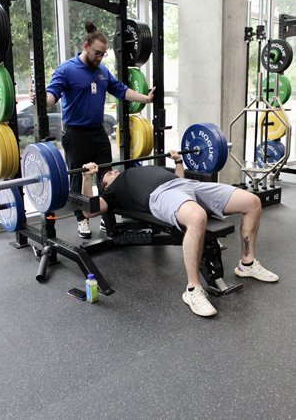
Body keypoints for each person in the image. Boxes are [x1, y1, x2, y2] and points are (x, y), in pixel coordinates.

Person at [80, 152, 279, 318]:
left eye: (113, 170)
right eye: (107, 175)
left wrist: (178, 161)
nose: (113, 171)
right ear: (104, 186)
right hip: (160, 196)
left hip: (188, 185)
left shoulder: (137, 170)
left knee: (252, 202)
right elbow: (89, 210)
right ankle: (193, 289)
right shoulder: (112, 193)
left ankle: (247, 263)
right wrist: (87, 177)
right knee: (197, 216)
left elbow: (180, 179)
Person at [43, 20, 155, 239]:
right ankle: (82, 219)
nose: (100, 57)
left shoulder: (102, 71)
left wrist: (147, 99)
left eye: (103, 54)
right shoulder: (66, 70)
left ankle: (106, 215)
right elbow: (51, 95)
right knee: (79, 177)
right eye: (97, 52)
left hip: (98, 132)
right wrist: (42, 99)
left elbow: (122, 91)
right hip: (75, 134)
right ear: (86, 46)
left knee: (106, 175)